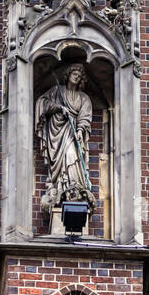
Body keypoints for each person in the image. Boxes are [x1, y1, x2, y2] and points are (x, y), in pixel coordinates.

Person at [35, 63, 95, 212]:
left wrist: (80, 131)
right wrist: (59, 108)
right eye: (74, 74)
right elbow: (42, 103)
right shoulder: (57, 91)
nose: (77, 77)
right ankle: (60, 186)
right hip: (57, 133)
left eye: (79, 76)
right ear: (68, 75)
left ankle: (73, 186)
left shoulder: (84, 97)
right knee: (63, 159)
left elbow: (85, 117)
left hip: (73, 133)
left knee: (71, 154)